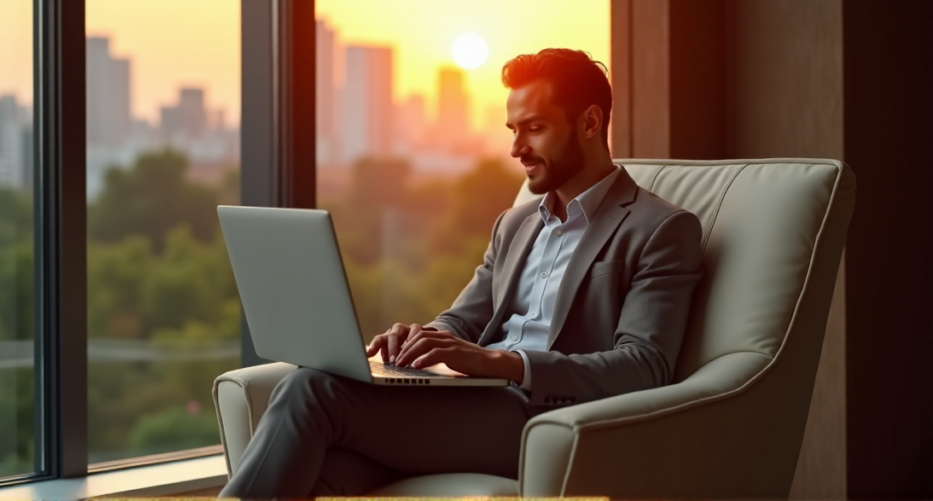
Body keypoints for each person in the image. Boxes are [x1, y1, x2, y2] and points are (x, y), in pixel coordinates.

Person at [220, 48, 703, 498]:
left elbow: (645, 366)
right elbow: (463, 321)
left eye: (534, 128)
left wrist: (503, 363)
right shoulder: (515, 224)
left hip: (543, 415)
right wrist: (423, 339)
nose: (517, 148)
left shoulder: (660, 229)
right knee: (326, 473)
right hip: (472, 402)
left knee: (310, 389)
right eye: (512, 129)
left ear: (591, 122)